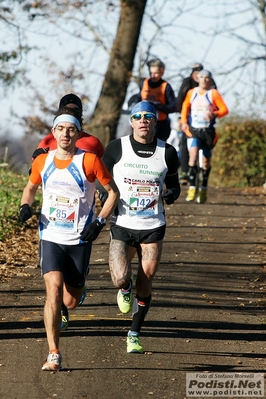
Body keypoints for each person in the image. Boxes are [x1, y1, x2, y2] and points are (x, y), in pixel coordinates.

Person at [19, 107, 119, 371]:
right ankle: (53, 353)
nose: (65, 134)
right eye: (61, 129)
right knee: (52, 290)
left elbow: (112, 193)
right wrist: (25, 206)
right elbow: (30, 187)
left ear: (78, 134)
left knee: (70, 301)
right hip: (50, 235)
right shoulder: (43, 161)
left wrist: (99, 223)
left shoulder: (89, 161)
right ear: (54, 133)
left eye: (71, 129)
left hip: (79, 238)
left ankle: (78, 290)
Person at [99, 101, 180, 353]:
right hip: (123, 223)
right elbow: (103, 179)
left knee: (147, 280)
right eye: (138, 116)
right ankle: (125, 287)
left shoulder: (167, 152)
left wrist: (171, 194)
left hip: (153, 225)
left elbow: (175, 185)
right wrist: (104, 197)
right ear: (131, 121)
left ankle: (134, 332)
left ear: (155, 121)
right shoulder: (116, 148)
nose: (143, 120)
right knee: (120, 278)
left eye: (148, 116)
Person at [180, 70, 229, 204]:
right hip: (194, 130)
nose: (204, 80)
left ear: (210, 80)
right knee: (193, 156)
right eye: (202, 77)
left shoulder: (213, 93)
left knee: (205, 163)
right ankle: (192, 187)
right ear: (198, 79)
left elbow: (224, 109)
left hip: (208, 132)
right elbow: (185, 106)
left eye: (207, 78)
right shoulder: (192, 92)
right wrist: (183, 122)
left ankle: (203, 188)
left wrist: (215, 114)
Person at [176, 63, 217, 185]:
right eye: (196, 74)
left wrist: (214, 113)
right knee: (184, 144)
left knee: (205, 155)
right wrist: (182, 119)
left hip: (206, 125)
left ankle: (203, 177)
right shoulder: (187, 83)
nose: (200, 77)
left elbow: (216, 101)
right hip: (189, 120)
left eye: (201, 74)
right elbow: (181, 100)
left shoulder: (211, 83)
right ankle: (184, 172)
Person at [32, 93, 104, 160]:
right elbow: (36, 169)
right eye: (67, 109)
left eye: (76, 110)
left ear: (81, 113)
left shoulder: (93, 142)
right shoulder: (47, 141)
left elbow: (103, 168)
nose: (71, 113)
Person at [136, 59, 177, 142]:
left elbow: (173, 107)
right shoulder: (144, 83)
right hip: (144, 122)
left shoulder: (166, 86)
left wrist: (157, 106)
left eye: (156, 73)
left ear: (162, 72)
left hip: (161, 125)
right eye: (151, 73)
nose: (153, 76)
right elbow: (138, 101)